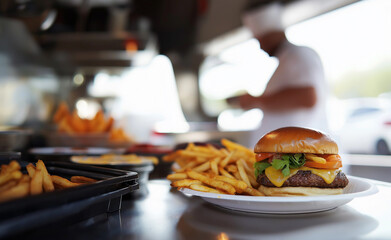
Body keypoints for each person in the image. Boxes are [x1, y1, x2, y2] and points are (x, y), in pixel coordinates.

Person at [228, 2, 329, 146]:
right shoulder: (287, 60)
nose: (260, 46)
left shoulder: (299, 55)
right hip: (287, 156)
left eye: (260, 40)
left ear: (273, 34)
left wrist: (256, 100)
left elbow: (308, 97)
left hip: (303, 156)